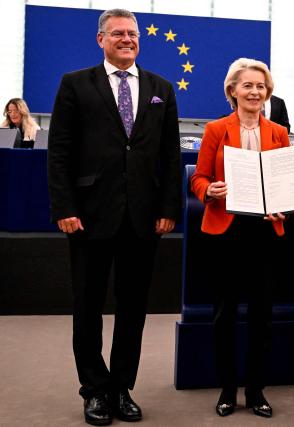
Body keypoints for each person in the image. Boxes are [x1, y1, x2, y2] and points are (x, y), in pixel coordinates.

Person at [47, 9, 181, 425]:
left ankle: (121, 387)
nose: (127, 39)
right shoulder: (75, 84)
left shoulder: (161, 88)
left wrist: (168, 208)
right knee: (88, 305)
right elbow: (60, 152)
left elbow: (170, 155)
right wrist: (65, 207)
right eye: (118, 33)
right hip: (88, 216)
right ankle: (94, 390)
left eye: (133, 33)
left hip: (143, 218)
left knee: (133, 307)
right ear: (100, 39)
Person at [190, 58, 289, 419]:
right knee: (225, 315)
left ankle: (257, 390)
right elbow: (198, 178)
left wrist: (283, 206)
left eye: (261, 86)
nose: (255, 92)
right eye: (248, 85)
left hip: (265, 231)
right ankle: (228, 389)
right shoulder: (216, 129)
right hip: (226, 231)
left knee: (263, 315)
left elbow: (284, 185)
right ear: (233, 90)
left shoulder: (278, 132)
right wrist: (210, 190)